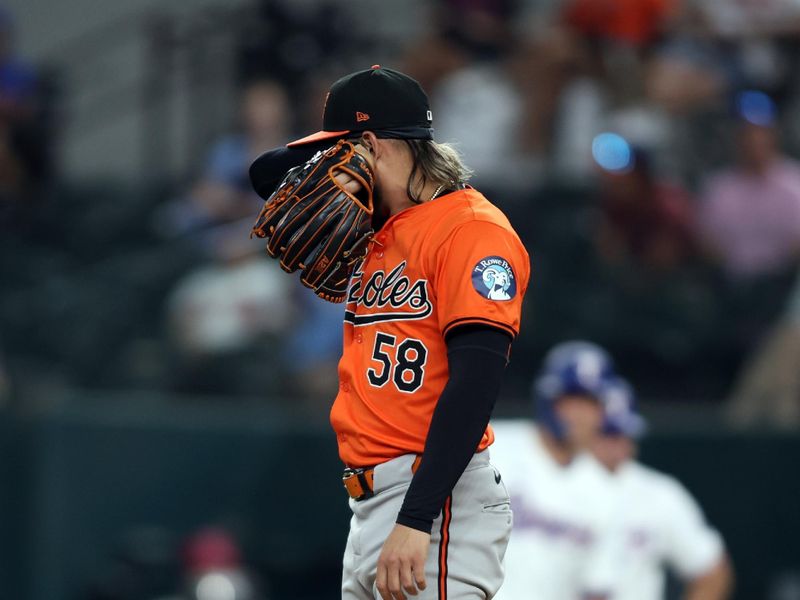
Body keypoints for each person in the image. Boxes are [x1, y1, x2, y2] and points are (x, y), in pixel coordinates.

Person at [263, 65, 531, 599]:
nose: (321, 176)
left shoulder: (471, 228)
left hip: (433, 501)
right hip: (373, 505)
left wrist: (417, 518)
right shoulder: (381, 236)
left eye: (332, 155)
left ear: (368, 144)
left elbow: (476, 383)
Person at [490, 341, 620, 600]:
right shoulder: (491, 444)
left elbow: (597, 589)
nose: (582, 415)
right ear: (548, 399)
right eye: (572, 401)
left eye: (591, 404)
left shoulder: (607, 492)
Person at [591, 378, 734, 600]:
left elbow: (712, 572)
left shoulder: (659, 494)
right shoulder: (546, 483)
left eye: (624, 435)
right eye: (608, 435)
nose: (617, 446)